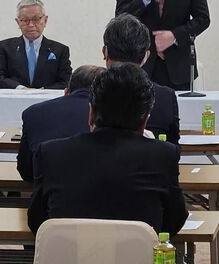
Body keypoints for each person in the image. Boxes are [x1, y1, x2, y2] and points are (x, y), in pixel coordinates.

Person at [28, 64, 187, 235]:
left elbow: (37, 221)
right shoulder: (163, 156)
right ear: (144, 122)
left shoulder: (51, 153)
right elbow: (173, 221)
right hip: (136, 250)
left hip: (69, 249)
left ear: (91, 113)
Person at [17, 65, 105, 183]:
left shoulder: (32, 113)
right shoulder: (110, 114)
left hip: (48, 189)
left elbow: (26, 170)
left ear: (66, 91)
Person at [103, 14, 180, 144]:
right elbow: (173, 148)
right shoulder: (165, 97)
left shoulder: (93, 92)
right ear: (146, 56)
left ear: (105, 52)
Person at [0, 0, 72, 89]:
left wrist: (42, 92)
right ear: (18, 22)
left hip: (48, 97)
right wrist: (20, 88)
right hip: (16, 96)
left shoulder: (60, 50)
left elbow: (67, 81)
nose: (31, 25)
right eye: (25, 20)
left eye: (36, 19)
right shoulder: (6, 47)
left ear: (45, 20)